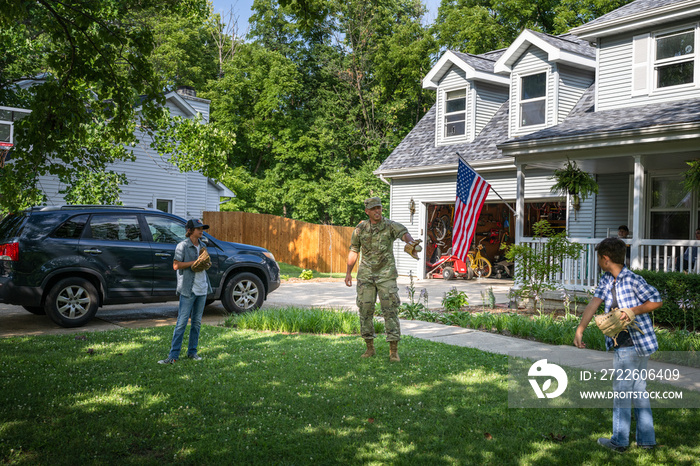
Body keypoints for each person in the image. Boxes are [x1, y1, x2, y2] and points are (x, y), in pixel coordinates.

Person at [573, 237, 662, 452]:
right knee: (638, 390)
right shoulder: (607, 280)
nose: (598, 261)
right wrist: (580, 329)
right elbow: (595, 302)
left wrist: (633, 311)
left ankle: (620, 442)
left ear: (605, 258)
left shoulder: (632, 279)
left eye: (598, 258)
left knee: (623, 391)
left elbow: (656, 299)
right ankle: (647, 441)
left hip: (632, 344)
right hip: (628, 344)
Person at [345, 197, 418, 362]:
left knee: (390, 311)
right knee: (365, 311)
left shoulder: (390, 225)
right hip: (365, 276)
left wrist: (412, 243)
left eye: (379, 207)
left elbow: (404, 233)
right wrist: (348, 272)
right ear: (367, 211)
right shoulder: (360, 229)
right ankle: (369, 348)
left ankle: (394, 351)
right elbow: (354, 249)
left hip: (386, 276)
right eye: (373, 208)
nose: (377, 211)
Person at [159, 219, 212, 364]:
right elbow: (176, 265)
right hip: (188, 289)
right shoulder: (182, 246)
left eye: (202, 228)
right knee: (181, 323)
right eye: (198, 228)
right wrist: (194, 263)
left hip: (202, 288)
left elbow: (204, 265)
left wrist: (206, 263)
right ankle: (173, 356)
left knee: (196, 323)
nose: (201, 231)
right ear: (190, 230)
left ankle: (192, 353)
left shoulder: (202, 245)